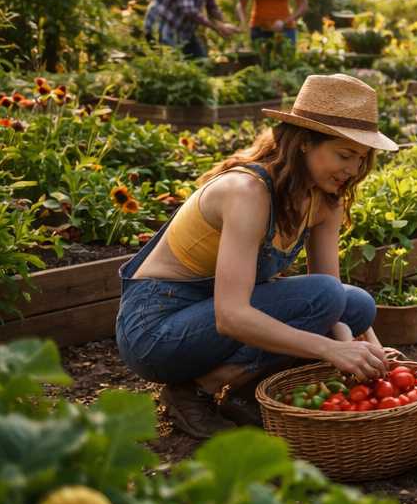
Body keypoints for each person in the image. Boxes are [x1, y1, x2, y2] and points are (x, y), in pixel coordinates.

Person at [114, 73, 401, 438]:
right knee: (327, 296)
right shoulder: (247, 191)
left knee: (355, 303)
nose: (354, 170)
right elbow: (231, 317)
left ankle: (246, 394)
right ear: (303, 143)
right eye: (344, 155)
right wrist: (332, 349)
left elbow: (336, 302)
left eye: (361, 159)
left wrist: (371, 357)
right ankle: (192, 392)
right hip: (157, 330)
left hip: (208, 318)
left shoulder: (325, 200)